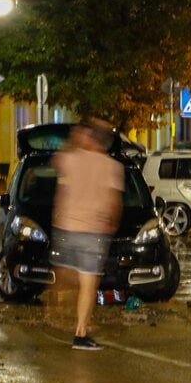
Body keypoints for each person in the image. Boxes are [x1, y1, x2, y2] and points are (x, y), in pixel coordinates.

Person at [50, 119, 124, 350]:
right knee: (88, 284)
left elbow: (56, 162)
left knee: (66, 274)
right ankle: (80, 333)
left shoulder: (71, 159)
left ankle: (54, 305)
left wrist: (75, 141)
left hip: (66, 228)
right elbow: (114, 201)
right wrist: (112, 224)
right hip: (94, 231)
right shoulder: (112, 166)